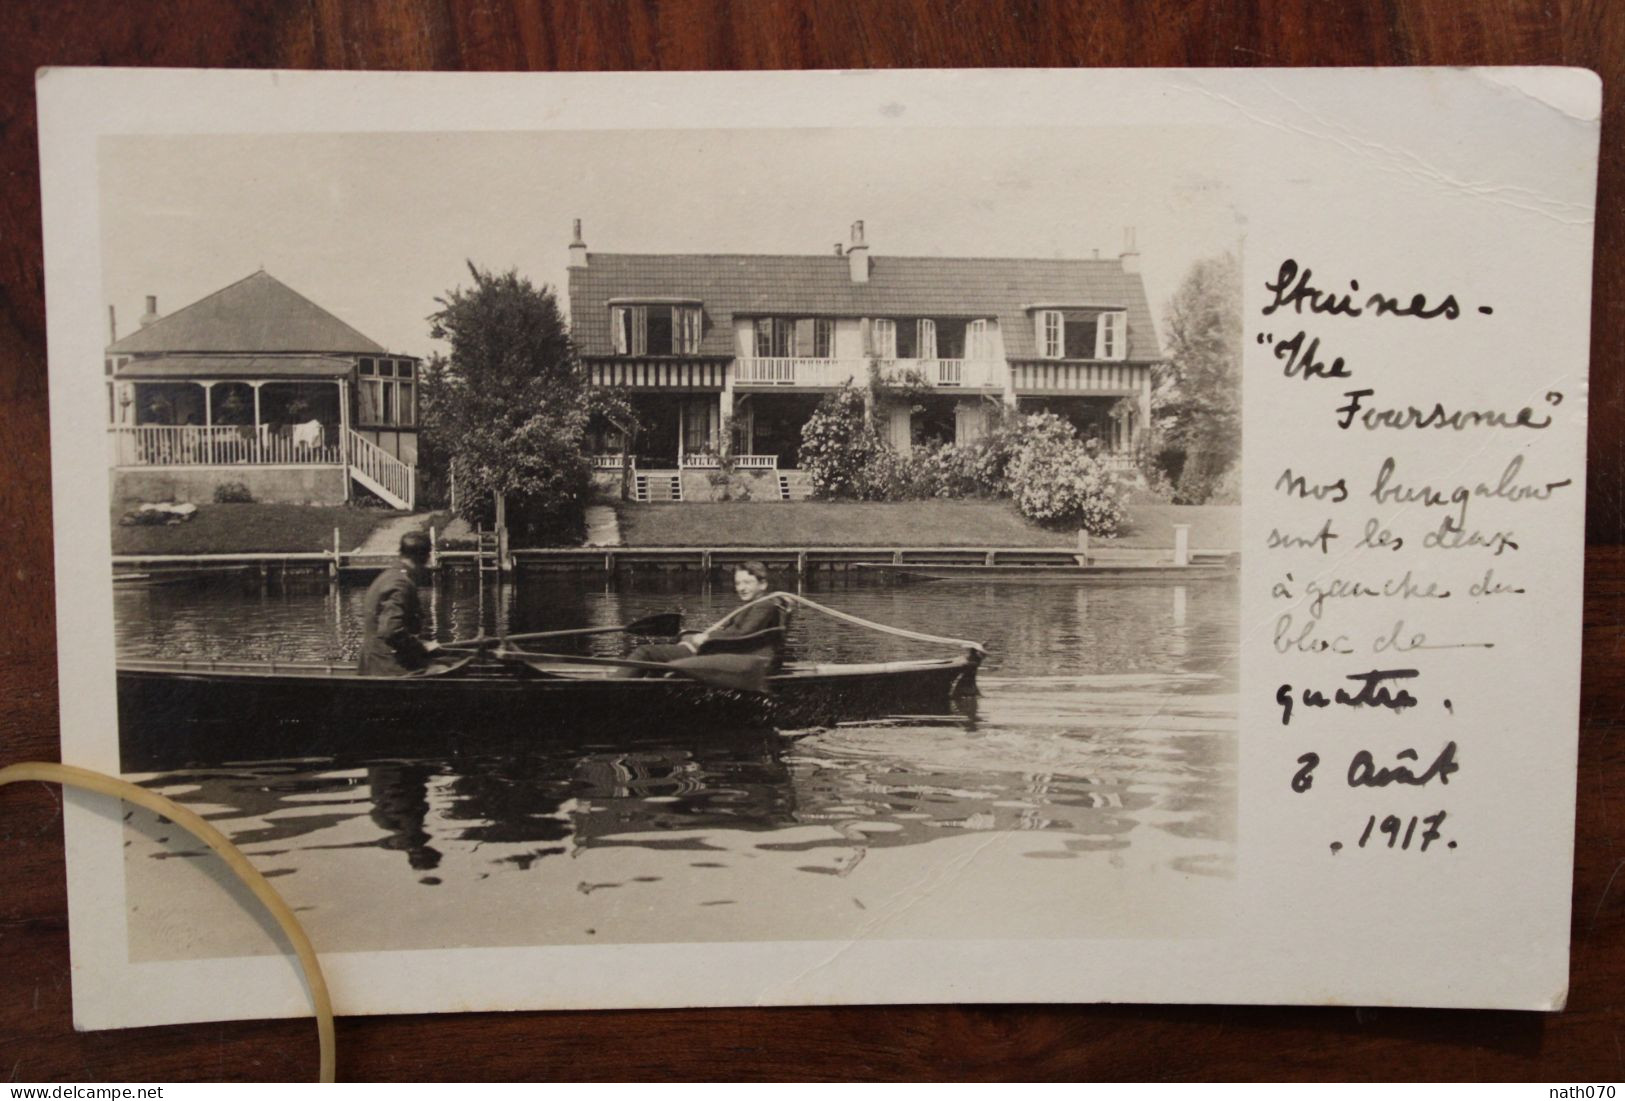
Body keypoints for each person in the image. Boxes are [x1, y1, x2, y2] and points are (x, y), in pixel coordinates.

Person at [629, 560, 789, 671]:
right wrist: (693, 637)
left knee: (645, 652)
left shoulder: (765, 605)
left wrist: (706, 638)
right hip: (723, 651)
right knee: (682, 638)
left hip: (732, 656)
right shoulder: (751, 605)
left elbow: (742, 635)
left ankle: (619, 687)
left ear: (763, 584)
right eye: (738, 583)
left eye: (747, 582)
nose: (741, 588)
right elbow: (731, 631)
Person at [357, 531, 440, 676]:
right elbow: (391, 630)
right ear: (424, 557)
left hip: (375, 660)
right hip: (387, 666)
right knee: (443, 670)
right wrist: (420, 646)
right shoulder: (401, 583)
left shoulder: (389, 575)